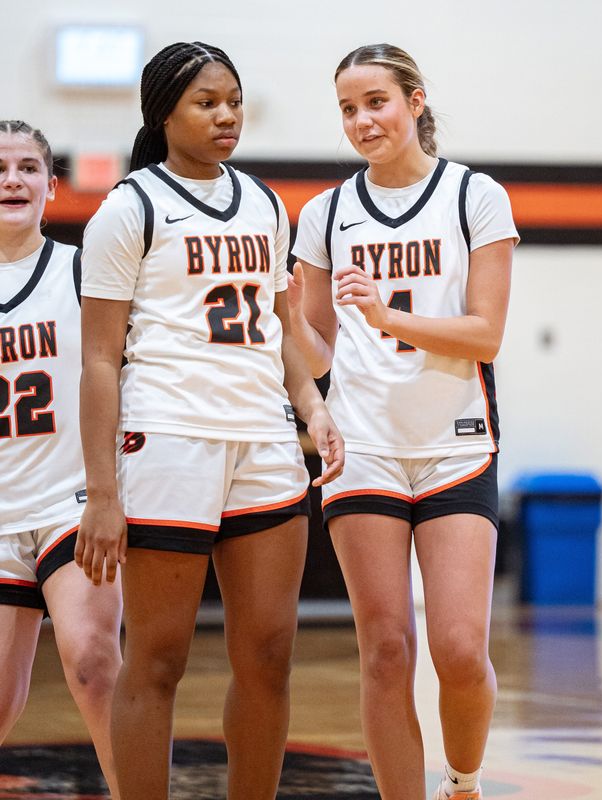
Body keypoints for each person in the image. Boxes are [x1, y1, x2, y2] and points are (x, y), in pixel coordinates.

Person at [75, 42, 344, 800]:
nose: (226, 115)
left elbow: (282, 330)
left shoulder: (262, 202)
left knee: (269, 654)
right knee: (156, 659)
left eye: (233, 100)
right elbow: (99, 361)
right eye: (206, 102)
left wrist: (315, 410)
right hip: (168, 440)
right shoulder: (128, 208)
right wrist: (101, 491)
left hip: (262, 441)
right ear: (163, 113)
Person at [289, 43, 519, 800]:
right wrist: (288, 326)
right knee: (386, 650)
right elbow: (318, 345)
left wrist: (386, 314)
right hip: (364, 450)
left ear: (416, 101)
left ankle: (462, 781)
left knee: (459, 650)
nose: (362, 120)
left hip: (456, 445)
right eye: (348, 109)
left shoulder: (473, 196)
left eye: (376, 102)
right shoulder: (325, 213)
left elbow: (485, 333)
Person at [0, 120, 122, 797]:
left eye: (26, 167)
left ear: (51, 185)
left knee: (94, 664)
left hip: (70, 502)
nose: (11, 180)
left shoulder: (82, 270)